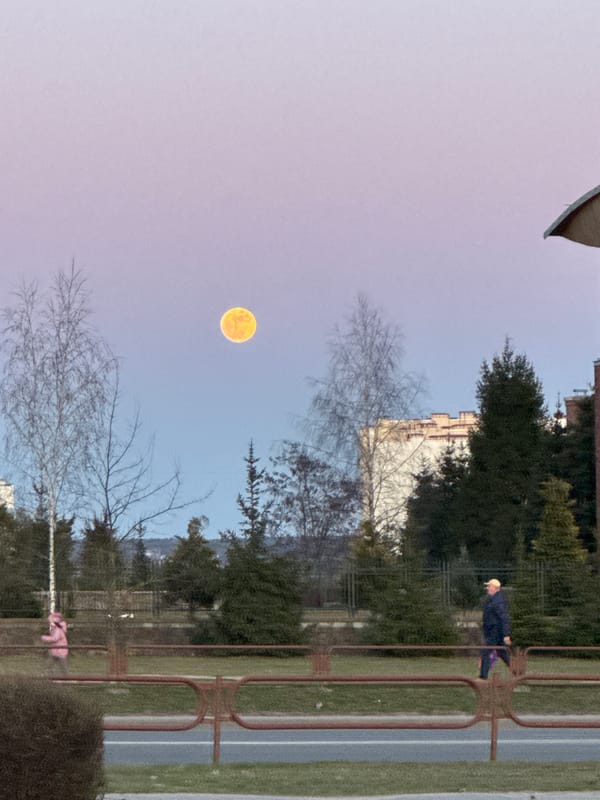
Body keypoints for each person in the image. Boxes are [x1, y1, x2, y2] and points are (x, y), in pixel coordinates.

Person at [479, 578, 511, 679]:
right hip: (494, 631)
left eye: (489, 586)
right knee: (502, 653)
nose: (487, 588)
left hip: (496, 632)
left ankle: (483, 676)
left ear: (495, 588)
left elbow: (504, 617)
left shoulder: (498, 600)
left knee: (485, 652)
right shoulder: (492, 599)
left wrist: (506, 634)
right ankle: (518, 672)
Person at [41, 610, 69, 675]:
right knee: (49, 665)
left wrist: (44, 638)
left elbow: (55, 638)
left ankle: (66, 679)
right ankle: (48, 677)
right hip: (55, 650)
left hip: (60, 651)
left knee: (63, 668)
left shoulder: (58, 629)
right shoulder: (54, 627)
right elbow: (52, 633)